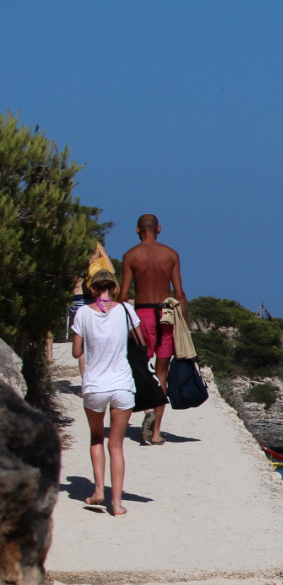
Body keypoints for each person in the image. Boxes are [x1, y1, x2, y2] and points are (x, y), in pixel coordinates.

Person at [70, 270, 137, 516]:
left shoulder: (83, 312)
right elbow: (138, 340)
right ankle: (117, 503)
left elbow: (77, 352)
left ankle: (99, 490)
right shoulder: (126, 310)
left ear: (93, 289)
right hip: (122, 384)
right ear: (114, 287)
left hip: (95, 385)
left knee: (97, 438)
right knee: (117, 445)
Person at [119, 213, 187, 445]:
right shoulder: (171, 255)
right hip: (166, 316)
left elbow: (123, 295)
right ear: (159, 228)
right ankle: (156, 432)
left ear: (138, 230)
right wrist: (184, 325)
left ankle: (147, 408)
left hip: (142, 315)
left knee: (140, 368)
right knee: (162, 372)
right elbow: (179, 293)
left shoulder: (130, 255)